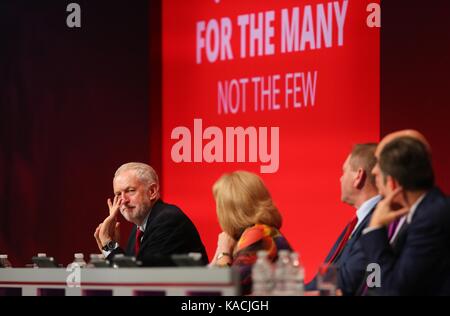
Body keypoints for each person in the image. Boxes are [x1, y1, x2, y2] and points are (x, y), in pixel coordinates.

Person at [360, 131, 450, 295]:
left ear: (392, 184)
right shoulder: (419, 213)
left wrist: (374, 230)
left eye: (377, 175)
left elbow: (390, 291)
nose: (373, 176)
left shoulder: (431, 219)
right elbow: (375, 286)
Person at [94, 162, 208, 266]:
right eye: (118, 194)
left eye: (130, 190)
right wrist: (113, 246)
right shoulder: (139, 228)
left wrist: (108, 245)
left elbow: (139, 277)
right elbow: (132, 272)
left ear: (152, 191)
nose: (123, 200)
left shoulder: (168, 220)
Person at [305, 144, 381, 295]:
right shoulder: (360, 221)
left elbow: (346, 282)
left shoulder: (376, 223)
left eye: (344, 171)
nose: (340, 179)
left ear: (358, 176)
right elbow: (326, 279)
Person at [209, 171, 293, 295]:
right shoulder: (258, 233)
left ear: (229, 211)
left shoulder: (258, 234)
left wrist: (223, 251)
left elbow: (225, 290)